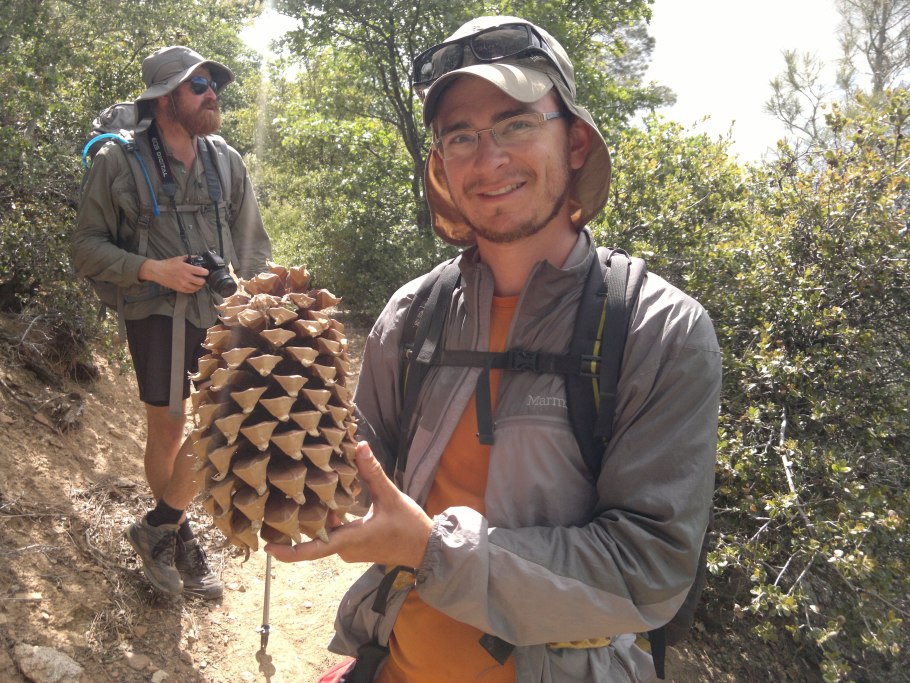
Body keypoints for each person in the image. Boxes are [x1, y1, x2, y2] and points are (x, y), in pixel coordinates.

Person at [266, 16, 720, 682]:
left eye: (516, 124)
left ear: (575, 141)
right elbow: (354, 480)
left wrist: (429, 549)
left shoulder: (657, 330)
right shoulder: (411, 315)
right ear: (441, 167)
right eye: (460, 136)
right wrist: (253, 439)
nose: (488, 159)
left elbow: (648, 570)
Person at [72, 46, 272, 600]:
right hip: (153, 312)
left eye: (214, 86)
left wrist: (263, 302)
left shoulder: (225, 159)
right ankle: (179, 542)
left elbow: (253, 243)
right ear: (165, 100)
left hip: (220, 310)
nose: (213, 96)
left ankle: (160, 526)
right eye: (199, 86)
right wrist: (152, 269)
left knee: (222, 421)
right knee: (167, 428)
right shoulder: (120, 162)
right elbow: (85, 246)